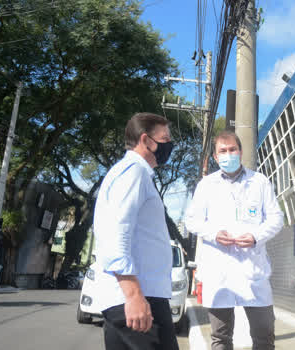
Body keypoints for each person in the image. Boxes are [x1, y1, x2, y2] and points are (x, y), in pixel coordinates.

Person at [185, 130, 283, 350]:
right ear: (215, 156)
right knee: (220, 338)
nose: (228, 154)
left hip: (253, 272)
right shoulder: (206, 186)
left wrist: (256, 236)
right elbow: (191, 221)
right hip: (220, 272)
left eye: (232, 150)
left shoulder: (259, 182)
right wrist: (213, 234)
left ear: (240, 152)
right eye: (223, 151)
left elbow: (277, 218)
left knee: (264, 336)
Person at [93, 112, 178, 350]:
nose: (169, 144)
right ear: (145, 140)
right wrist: (133, 296)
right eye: (165, 138)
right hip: (138, 296)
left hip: (131, 296)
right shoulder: (133, 172)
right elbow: (115, 233)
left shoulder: (131, 172)